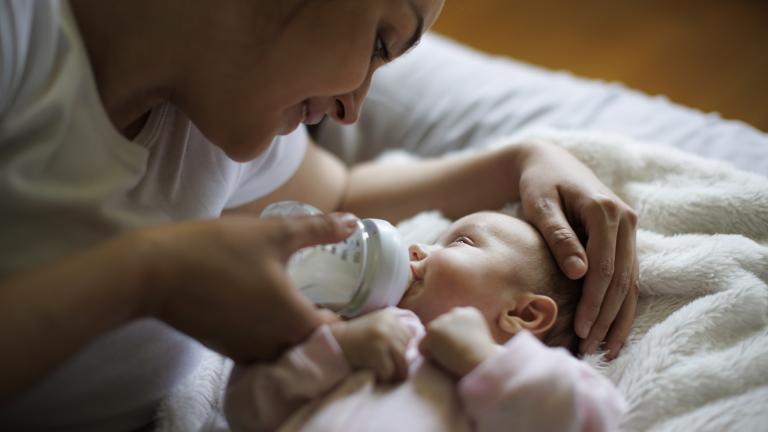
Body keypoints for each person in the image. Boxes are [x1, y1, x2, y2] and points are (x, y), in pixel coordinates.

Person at [0, 0, 637, 429]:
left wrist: (523, 160)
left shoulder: (217, 118)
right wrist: (149, 277)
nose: (352, 108)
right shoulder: (22, 42)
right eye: (380, 42)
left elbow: (343, 194)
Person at [224, 212, 627, 431]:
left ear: (522, 314)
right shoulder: (352, 336)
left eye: (461, 242)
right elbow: (246, 409)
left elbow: (595, 419)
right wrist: (338, 349)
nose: (418, 247)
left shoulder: (525, 388)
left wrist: (483, 361)